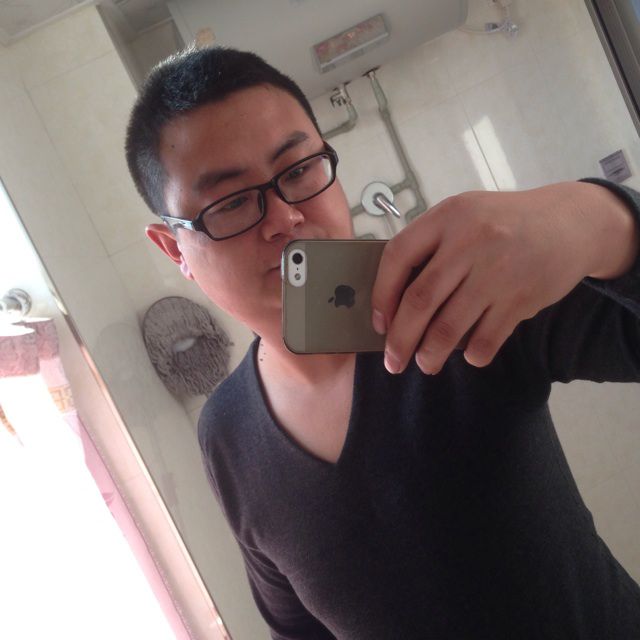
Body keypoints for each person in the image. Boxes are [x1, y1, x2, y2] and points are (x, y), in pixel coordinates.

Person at [125, 46, 640, 639]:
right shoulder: (224, 434)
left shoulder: (455, 294)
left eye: (299, 170)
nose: (285, 218)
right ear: (175, 249)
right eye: (232, 202)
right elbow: (298, 631)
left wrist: (602, 221)